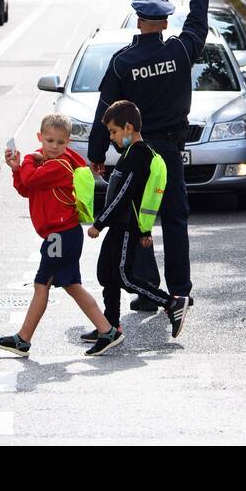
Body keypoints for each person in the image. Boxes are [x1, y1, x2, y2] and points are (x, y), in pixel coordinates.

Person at [87, 0, 209, 310]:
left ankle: (146, 290)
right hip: (170, 151)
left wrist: (97, 154)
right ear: (165, 22)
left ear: (139, 21)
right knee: (175, 219)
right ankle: (180, 291)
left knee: (137, 220)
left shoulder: (123, 62)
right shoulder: (181, 51)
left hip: (137, 153)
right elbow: (198, 26)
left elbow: (104, 111)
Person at [0, 114, 124, 357]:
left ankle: (23, 339)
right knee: (72, 285)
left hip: (60, 235)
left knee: (41, 284)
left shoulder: (59, 165)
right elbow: (26, 188)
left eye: (60, 142)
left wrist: (29, 160)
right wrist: (16, 169)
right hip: (64, 234)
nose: (54, 146)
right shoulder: (48, 163)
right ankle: (107, 331)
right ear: (40, 137)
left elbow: (30, 178)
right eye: (50, 140)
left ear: (68, 142)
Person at [89, 101, 190, 340]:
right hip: (118, 225)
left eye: (114, 132)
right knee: (107, 273)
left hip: (125, 226)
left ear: (129, 127)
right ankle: (111, 325)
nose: (112, 138)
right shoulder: (129, 154)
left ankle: (171, 303)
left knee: (123, 275)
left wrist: (99, 223)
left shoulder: (139, 155)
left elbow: (125, 195)